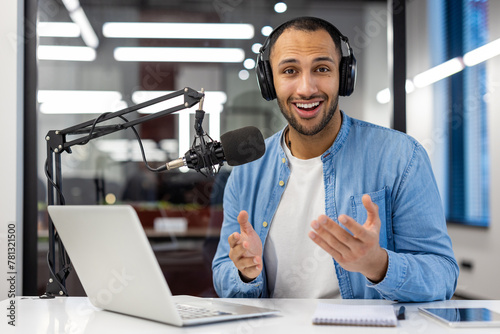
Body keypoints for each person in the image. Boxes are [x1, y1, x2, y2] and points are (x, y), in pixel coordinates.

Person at [212, 16, 459, 302]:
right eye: (290, 70)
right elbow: (222, 270)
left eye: (322, 68)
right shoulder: (247, 171)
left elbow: (443, 274)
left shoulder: (401, 157)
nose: (306, 88)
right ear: (269, 83)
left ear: (343, 76)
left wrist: (378, 264)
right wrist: (246, 273)